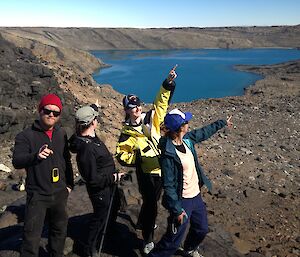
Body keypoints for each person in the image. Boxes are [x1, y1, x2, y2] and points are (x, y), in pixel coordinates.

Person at [148, 108, 233, 257]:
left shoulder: (187, 140)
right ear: (181, 127)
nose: (189, 123)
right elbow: (168, 184)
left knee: (201, 229)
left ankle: (189, 248)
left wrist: (222, 123)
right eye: (186, 122)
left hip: (196, 196)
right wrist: (176, 209)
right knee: (173, 241)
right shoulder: (168, 153)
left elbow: (203, 132)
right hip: (183, 201)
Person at [115, 66, 177, 254]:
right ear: (127, 110)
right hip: (147, 173)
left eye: (138, 104)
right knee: (151, 205)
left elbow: (161, 103)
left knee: (154, 200)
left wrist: (168, 83)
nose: (137, 108)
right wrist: (139, 157)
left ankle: (142, 222)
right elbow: (122, 155)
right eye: (133, 107)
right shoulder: (126, 133)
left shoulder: (151, 117)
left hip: (163, 168)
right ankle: (148, 238)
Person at [12, 93, 74, 257]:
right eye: (47, 111)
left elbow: (66, 161)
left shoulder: (61, 134)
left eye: (56, 112)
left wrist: (69, 185)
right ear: (40, 110)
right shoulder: (26, 136)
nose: (51, 115)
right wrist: (35, 156)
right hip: (38, 194)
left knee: (59, 232)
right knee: (31, 238)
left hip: (59, 193)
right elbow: (17, 161)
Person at [69, 104, 125, 257]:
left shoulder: (88, 137)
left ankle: (108, 235)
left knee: (113, 209)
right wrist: (113, 177)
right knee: (100, 217)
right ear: (92, 122)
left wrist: (94, 107)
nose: (97, 120)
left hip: (108, 186)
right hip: (101, 190)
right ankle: (90, 249)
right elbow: (93, 180)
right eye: (95, 118)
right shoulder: (86, 148)